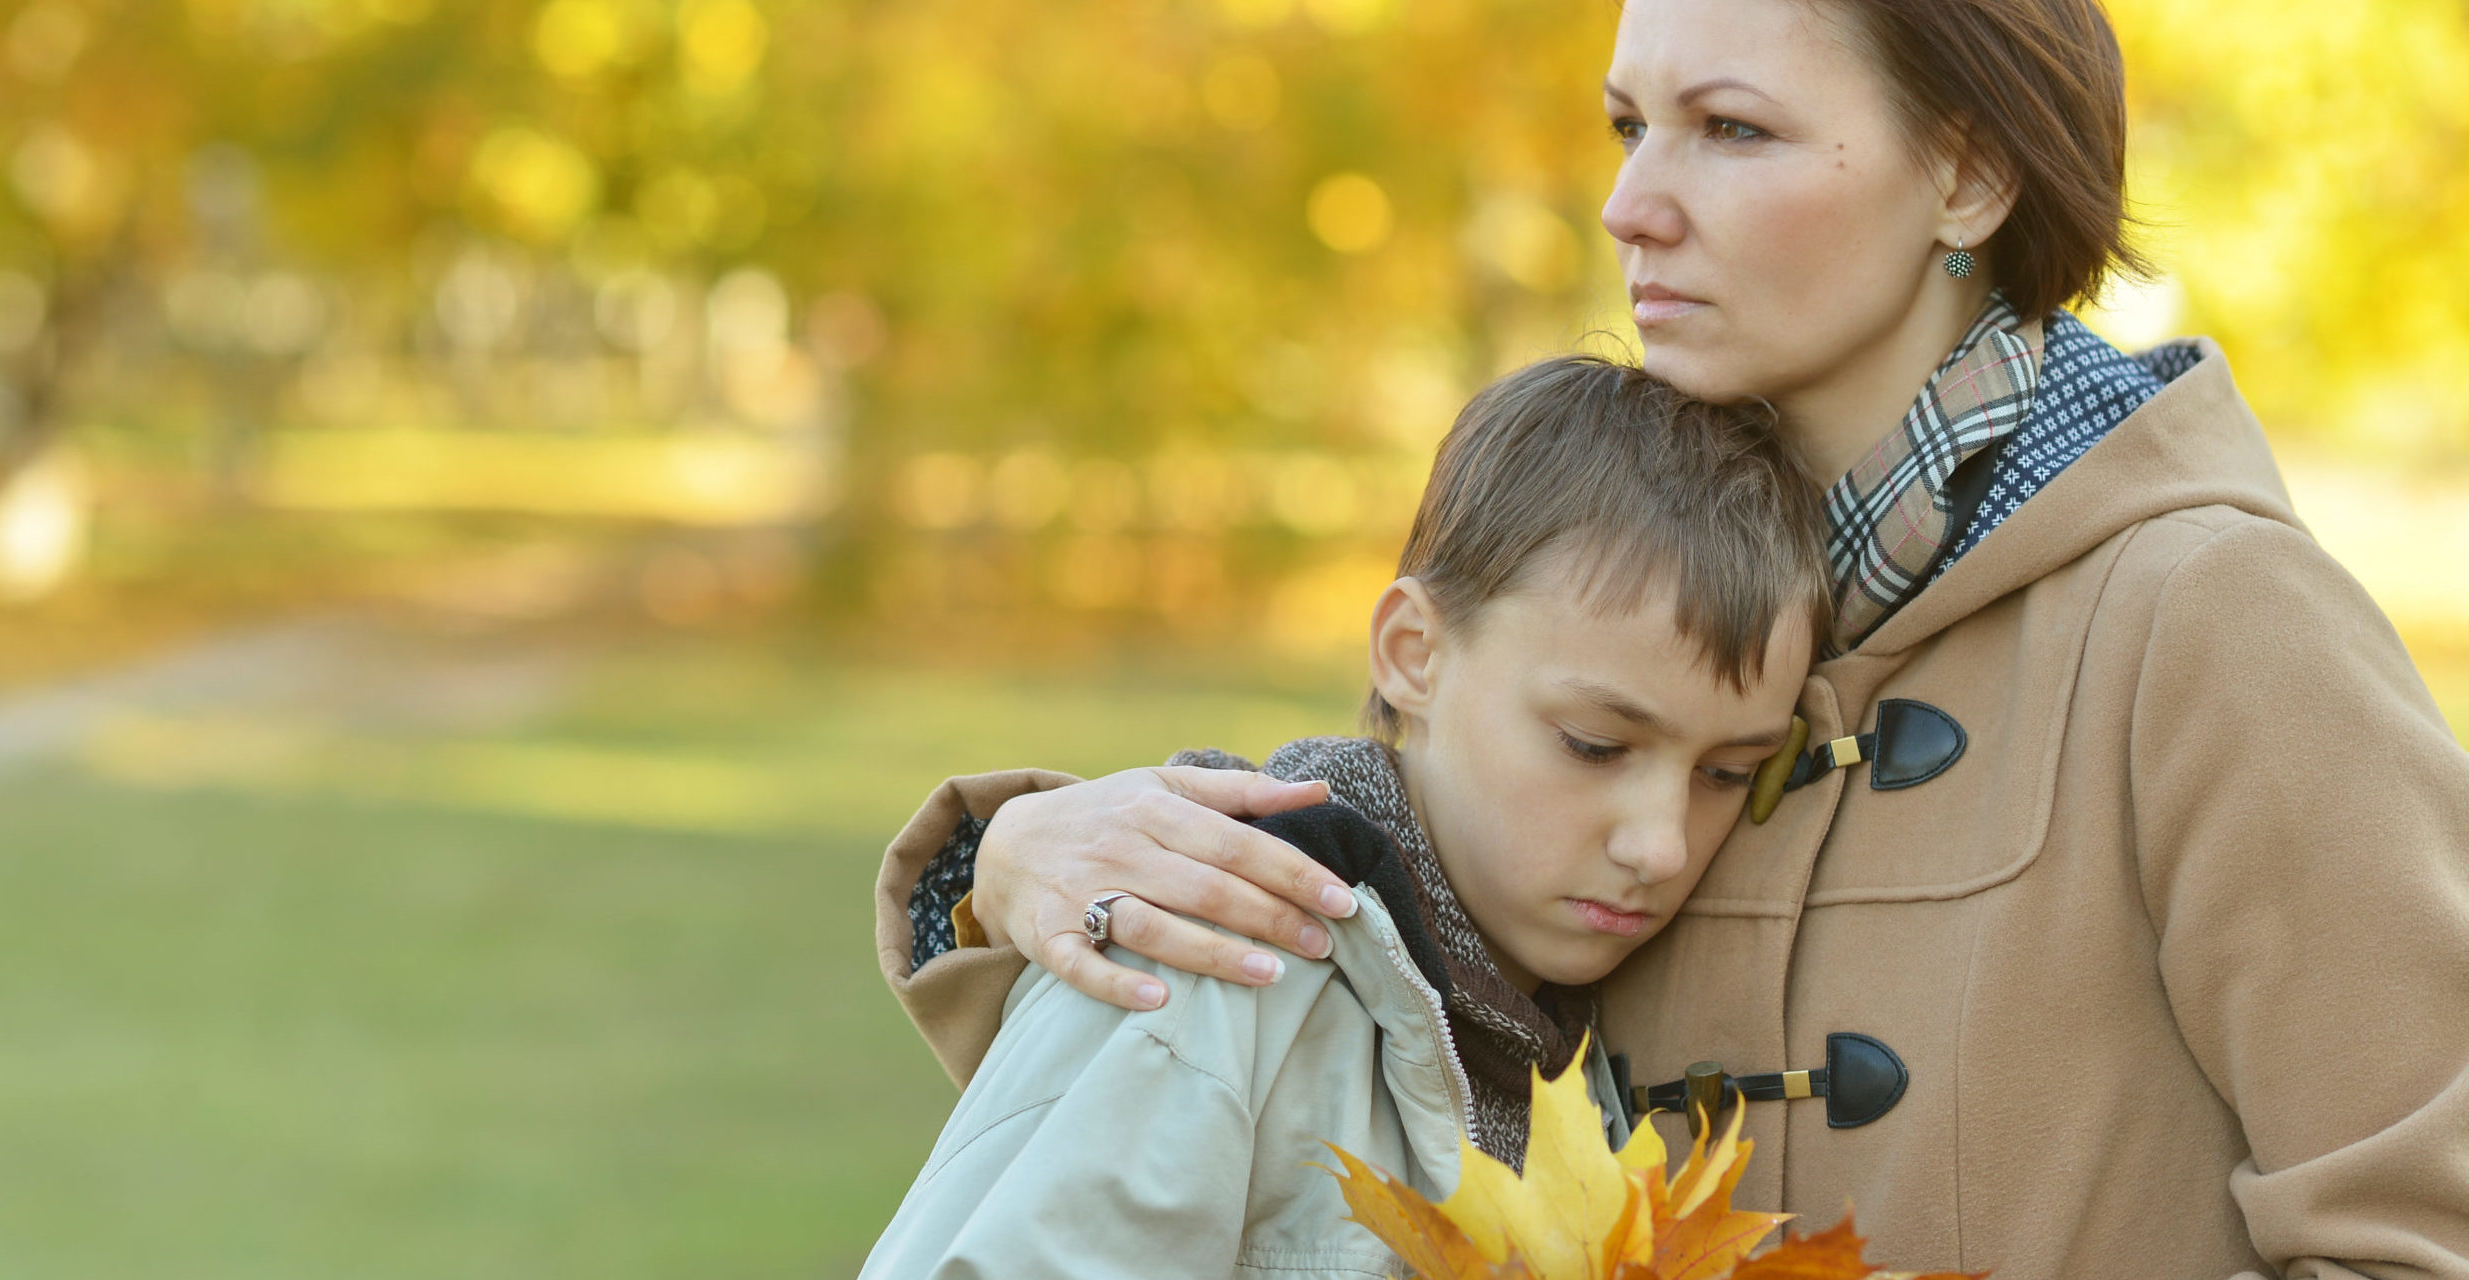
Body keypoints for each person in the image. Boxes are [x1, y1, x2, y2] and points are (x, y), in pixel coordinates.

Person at [872, 0, 2469, 1275]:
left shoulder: (2212, 624)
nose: (1633, 205)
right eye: (1632, 127)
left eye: (1732, 129)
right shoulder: (1650, 585)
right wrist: (1016, 863)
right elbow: (1321, 1041)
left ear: (1971, 176)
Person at [862, 357, 1825, 1279]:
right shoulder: (1209, 962)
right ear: (1412, 655)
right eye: (1593, 745)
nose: (1661, 845)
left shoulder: (1587, 1037)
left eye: (1730, 772)